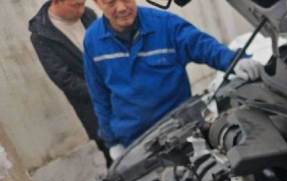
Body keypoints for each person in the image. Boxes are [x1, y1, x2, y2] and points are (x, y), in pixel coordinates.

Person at [84, 0, 263, 160]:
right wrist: (112, 142)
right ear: (97, 3)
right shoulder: (93, 41)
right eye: (111, 2)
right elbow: (99, 95)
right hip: (134, 140)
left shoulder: (164, 25)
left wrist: (235, 61)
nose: (122, 7)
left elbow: (202, 45)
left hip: (180, 132)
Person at [29, 0, 112, 167]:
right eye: (75, 5)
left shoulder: (88, 14)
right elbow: (63, 78)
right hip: (91, 104)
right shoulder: (42, 34)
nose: (81, 9)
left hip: (121, 90)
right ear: (57, 2)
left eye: (83, 3)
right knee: (114, 151)